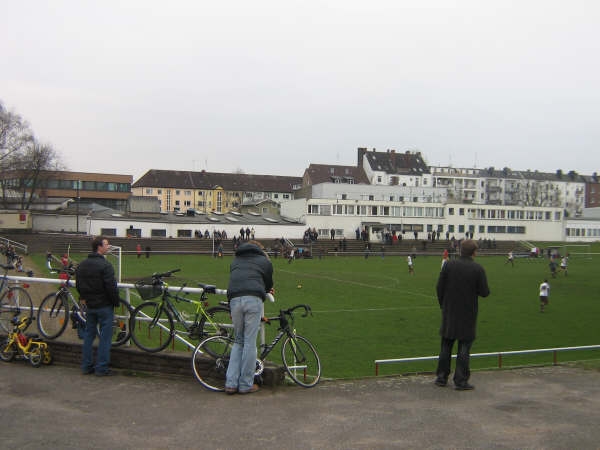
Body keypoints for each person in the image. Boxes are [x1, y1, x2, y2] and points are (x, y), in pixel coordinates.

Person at [434, 239, 490, 390]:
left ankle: (441, 377)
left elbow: (439, 287)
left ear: (460, 251)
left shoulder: (448, 265)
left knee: (446, 345)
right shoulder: (477, 269)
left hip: (450, 311)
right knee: (464, 347)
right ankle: (461, 380)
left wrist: (443, 305)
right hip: (467, 313)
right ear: (474, 252)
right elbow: (485, 292)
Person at [225, 240, 274, 395]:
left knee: (238, 341)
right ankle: (246, 384)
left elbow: (233, 282)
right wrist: (267, 290)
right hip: (253, 299)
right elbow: (268, 283)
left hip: (234, 300)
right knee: (250, 341)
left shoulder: (235, 261)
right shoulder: (264, 261)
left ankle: (231, 383)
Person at [76, 236, 121, 376]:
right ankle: (101, 368)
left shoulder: (82, 264)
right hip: (104, 306)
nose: (108, 247)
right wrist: (116, 302)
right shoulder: (105, 265)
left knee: (89, 335)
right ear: (99, 247)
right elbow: (111, 287)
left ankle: (86, 366)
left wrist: (85, 298)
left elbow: (79, 285)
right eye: (106, 244)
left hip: (90, 305)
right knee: (105, 338)